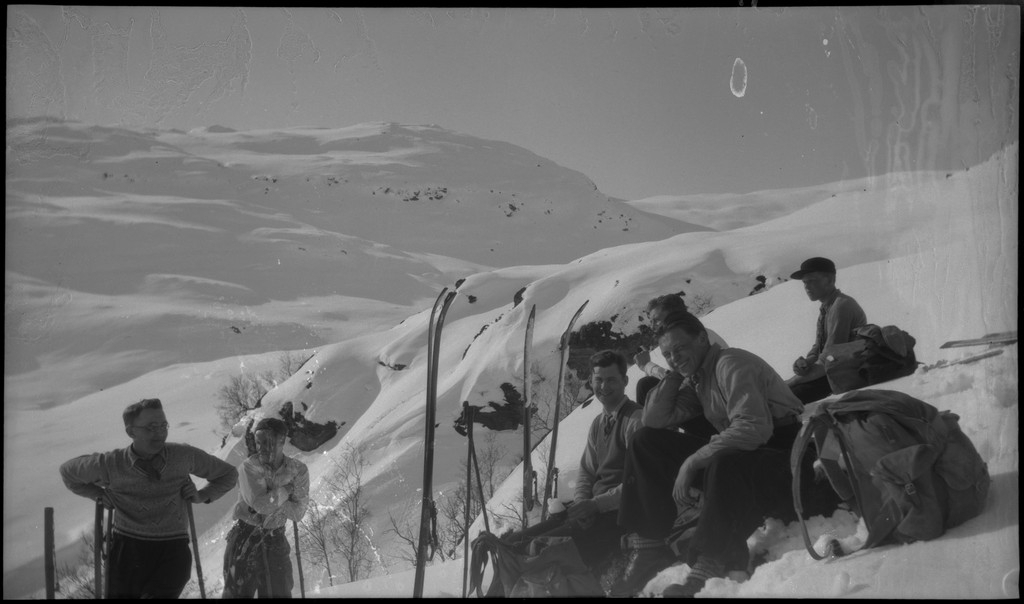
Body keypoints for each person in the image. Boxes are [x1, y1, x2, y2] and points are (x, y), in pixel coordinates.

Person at [614, 311, 838, 597]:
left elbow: (753, 428)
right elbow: (654, 420)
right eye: (668, 353)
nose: (674, 357)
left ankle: (711, 563)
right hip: (754, 458)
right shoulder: (699, 377)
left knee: (724, 459)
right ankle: (649, 544)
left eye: (680, 348)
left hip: (788, 459)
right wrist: (672, 373)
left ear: (703, 339)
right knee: (645, 441)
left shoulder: (731, 365)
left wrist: (693, 461)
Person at [59, 398, 238, 599]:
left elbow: (228, 475)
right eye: (151, 427)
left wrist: (202, 495)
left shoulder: (183, 455)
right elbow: (68, 472)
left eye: (163, 425)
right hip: (127, 551)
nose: (160, 433)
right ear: (131, 431)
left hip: (173, 550)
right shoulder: (112, 464)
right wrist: (98, 494)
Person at [505, 350, 643, 579]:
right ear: (591, 381)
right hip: (593, 510)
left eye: (611, 380)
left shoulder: (635, 421)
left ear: (625, 381)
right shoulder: (599, 423)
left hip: (619, 515)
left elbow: (639, 484)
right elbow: (587, 472)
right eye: (598, 379)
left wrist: (595, 505)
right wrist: (581, 504)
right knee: (513, 542)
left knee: (538, 549)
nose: (604, 386)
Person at [223, 417, 310, 599]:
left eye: (267, 441)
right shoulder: (249, 467)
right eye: (258, 442)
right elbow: (261, 505)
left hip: (275, 540)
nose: (261, 447)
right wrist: (287, 490)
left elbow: (298, 513)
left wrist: (274, 496)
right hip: (245, 539)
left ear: (282, 441)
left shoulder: (298, 470)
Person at [633, 295, 726, 439]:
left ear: (676, 315)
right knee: (649, 389)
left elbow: (685, 381)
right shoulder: (679, 340)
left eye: (656, 320)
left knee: (647, 387)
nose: (652, 326)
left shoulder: (697, 339)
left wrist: (648, 366)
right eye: (651, 321)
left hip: (713, 414)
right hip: (701, 404)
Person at [785, 257, 868, 404]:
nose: (807, 287)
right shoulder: (828, 307)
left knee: (784, 400)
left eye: (812, 281)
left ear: (830, 280)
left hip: (842, 375)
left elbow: (829, 359)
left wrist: (791, 382)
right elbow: (819, 347)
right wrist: (806, 362)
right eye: (805, 282)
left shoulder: (841, 306)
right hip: (834, 372)